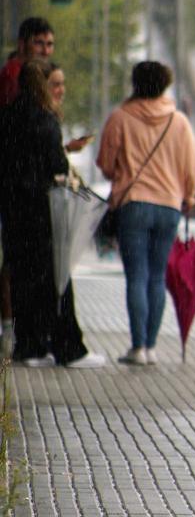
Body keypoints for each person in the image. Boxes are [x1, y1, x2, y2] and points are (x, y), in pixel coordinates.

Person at [0, 58, 105, 368]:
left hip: (14, 209)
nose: (61, 90)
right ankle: (68, 346)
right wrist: (63, 152)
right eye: (55, 84)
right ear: (41, 86)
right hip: (41, 210)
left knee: (22, 277)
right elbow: (55, 166)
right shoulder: (45, 120)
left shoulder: (9, 114)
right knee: (56, 277)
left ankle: (29, 345)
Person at [97, 61, 195, 367]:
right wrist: (189, 195)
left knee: (136, 276)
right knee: (157, 277)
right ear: (165, 85)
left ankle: (138, 346)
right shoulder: (178, 122)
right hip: (169, 206)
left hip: (134, 205)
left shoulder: (120, 118)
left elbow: (105, 163)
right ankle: (151, 347)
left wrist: (123, 171)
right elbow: (191, 167)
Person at [0, 16, 55, 356]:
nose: (45, 51)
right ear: (23, 44)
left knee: (19, 261)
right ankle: (16, 329)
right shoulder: (14, 80)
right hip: (20, 189)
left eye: (49, 45)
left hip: (20, 185)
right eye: (39, 43)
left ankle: (21, 331)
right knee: (20, 262)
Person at [47, 64, 94, 154]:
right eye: (56, 85)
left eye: (62, 84)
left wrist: (69, 148)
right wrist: (68, 149)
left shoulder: (49, 117)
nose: (62, 90)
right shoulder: (43, 120)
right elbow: (50, 162)